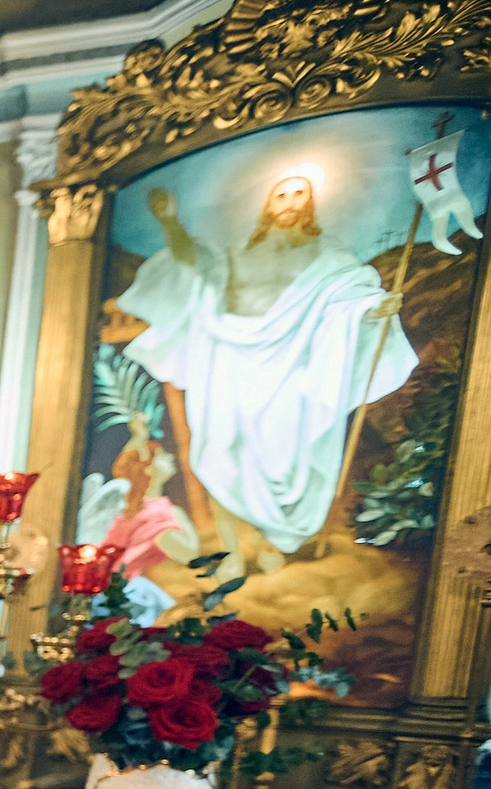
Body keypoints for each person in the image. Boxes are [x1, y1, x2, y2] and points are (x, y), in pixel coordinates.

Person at [117, 174, 416, 559]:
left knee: (290, 459)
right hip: (228, 360)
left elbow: (351, 295)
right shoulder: (236, 251)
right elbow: (190, 258)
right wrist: (171, 222)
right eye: (282, 194)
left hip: (292, 368)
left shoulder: (329, 258)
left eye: (299, 194)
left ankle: (276, 546)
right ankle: (236, 552)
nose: (290, 201)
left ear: (309, 204)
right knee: (222, 454)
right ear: (268, 204)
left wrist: (372, 309)